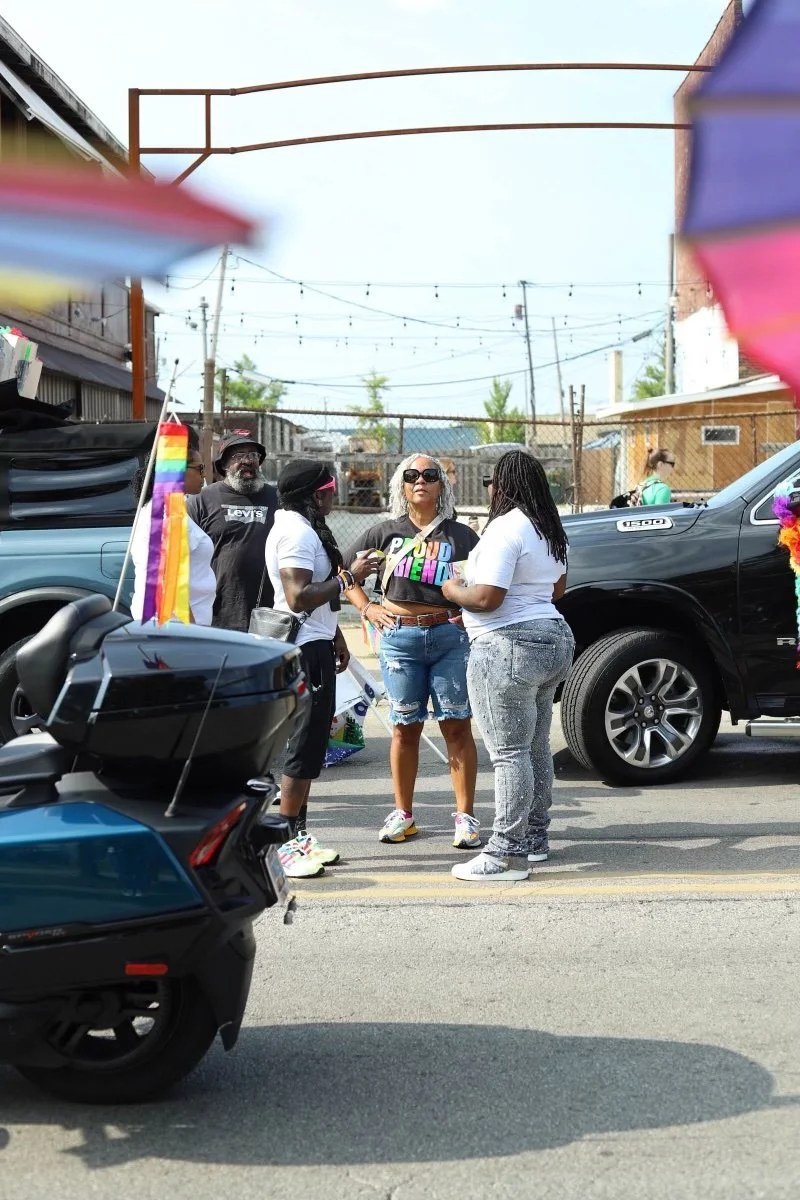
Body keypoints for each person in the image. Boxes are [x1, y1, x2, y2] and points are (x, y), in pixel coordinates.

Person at [442, 449, 575, 882]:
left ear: (503, 484)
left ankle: (505, 854)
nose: (491, 490)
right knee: (534, 746)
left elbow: (487, 599)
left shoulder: (504, 527)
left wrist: (453, 590)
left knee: (509, 753)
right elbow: (555, 590)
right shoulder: (547, 528)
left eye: (492, 482)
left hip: (507, 647)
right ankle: (535, 839)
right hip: (552, 639)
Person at [346, 454, 481, 850]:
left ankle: (466, 817)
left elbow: (486, 582)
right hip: (399, 640)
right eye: (411, 476)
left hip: (449, 638)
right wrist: (366, 606)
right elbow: (342, 572)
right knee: (405, 729)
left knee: (456, 725)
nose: (419, 481)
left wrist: (469, 614)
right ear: (401, 486)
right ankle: (403, 814)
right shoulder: (384, 533)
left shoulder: (461, 536)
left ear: (442, 486)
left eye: (429, 475)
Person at [266, 459, 381, 879]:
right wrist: (352, 575)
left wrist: (335, 634)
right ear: (316, 494)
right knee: (302, 748)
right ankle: (283, 845)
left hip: (315, 643)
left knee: (312, 747)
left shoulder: (299, 526)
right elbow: (297, 596)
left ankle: (298, 837)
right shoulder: (296, 531)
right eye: (331, 489)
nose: (335, 496)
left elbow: (311, 603)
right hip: (302, 651)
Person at [185, 433, 277, 632]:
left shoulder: (276, 499)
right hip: (216, 614)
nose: (247, 461)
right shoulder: (202, 500)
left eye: (252, 455)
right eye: (238, 456)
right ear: (224, 464)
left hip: (268, 615)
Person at [130, 442, 216, 625]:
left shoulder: (161, 508)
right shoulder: (168, 514)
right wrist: (192, 631)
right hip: (173, 626)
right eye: (200, 468)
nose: (204, 475)